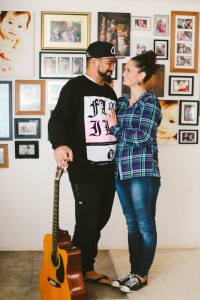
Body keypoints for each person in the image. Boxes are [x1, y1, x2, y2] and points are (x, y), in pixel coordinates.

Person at [48, 41, 119, 286]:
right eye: (109, 63)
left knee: (100, 219)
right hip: (84, 169)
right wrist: (59, 145)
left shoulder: (110, 92)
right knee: (87, 222)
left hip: (109, 168)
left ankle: (85, 266)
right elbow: (57, 120)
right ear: (94, 61)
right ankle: (78, 271)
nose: (112, 67)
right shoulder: (74, 87)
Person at [107, 50, 162, 293]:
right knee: (131, 224)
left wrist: (116, 129)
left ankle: (141, 274)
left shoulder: (150, 102)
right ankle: (133, 272)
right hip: (121, 171)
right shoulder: (120, 102)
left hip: (143, 171)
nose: (124, 72)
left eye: (128, 69)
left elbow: (143, 136)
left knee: (145, 225)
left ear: (141, 75)